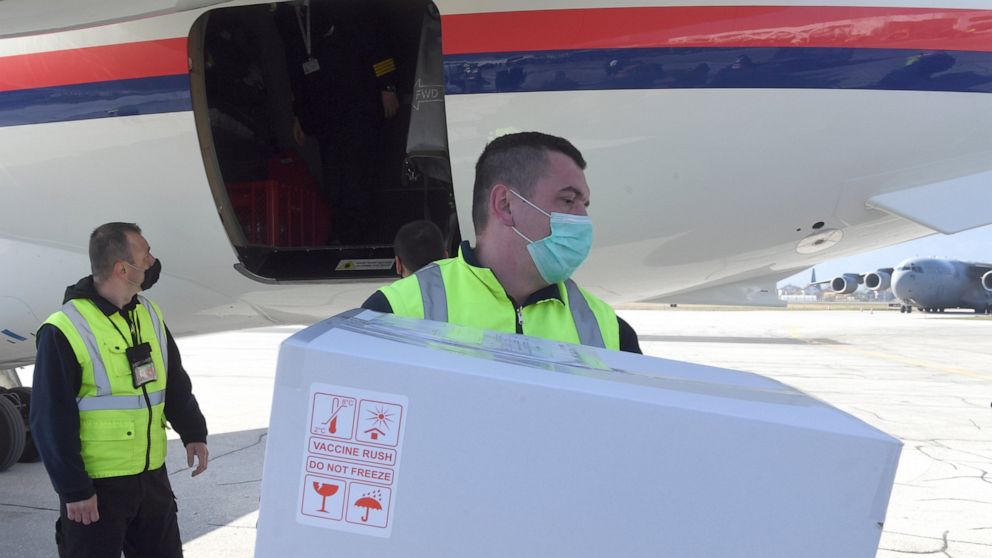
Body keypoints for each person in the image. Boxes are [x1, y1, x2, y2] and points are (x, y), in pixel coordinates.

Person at [363, 132, 641, 353]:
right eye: (568, 200)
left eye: (585, 204)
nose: (582, 218)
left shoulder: (609, 330)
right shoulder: (391, 313)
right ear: (505, 205)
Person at [30, 222, 209, 558]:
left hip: (151, 478)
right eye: (146, 254)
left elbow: (173, 380)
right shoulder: (65, 328)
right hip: (97, 486)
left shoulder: (149, 314)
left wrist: (193, 431)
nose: (153, 261)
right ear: (122, 269)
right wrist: (74, 489)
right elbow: (50, 418)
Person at [275, 0, 399, 243]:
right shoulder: (285, 16)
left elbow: (376, 42)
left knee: (357, 172)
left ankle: (361, 234)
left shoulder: (343, 6)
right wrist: (298, 113)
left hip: (357, 104)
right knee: (333, 177)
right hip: (322, 112)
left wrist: (388, 86)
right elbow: (294, 68)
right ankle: (341, 234)